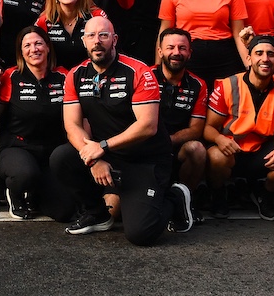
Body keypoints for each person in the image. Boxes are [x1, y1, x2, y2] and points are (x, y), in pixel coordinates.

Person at [52, 14, 184, 243]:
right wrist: (93, 158)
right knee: (61, 157)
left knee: (141, 235)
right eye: (91, 36)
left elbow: (147, 126)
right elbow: (72, 125)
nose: (97, 41)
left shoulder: (139, 72)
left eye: (103, 35)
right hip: (107, 155)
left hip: (145, 159)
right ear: (83, 41)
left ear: (114, 39)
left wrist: (101, 147)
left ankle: (175, 197)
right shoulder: (75, 75)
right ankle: (96, 214)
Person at [201, 34, 274, 219]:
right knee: (215, 156)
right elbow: (208, 128)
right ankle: (219, 194)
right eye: (259, 53)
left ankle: (263, 192)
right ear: (249, 58)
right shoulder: (228, 85)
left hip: (262, 152)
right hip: (232, 149)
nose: (265, 59)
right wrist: (219, 139)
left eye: (270, 54)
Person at [0, 26, 70, 219]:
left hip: (52, 151)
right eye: (27, 45)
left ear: (47, 47)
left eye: (38, 43)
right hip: (19, 147)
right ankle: (15, 193)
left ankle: (36, 194)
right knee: (25, 174)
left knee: (63, 212)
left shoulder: (64, 76)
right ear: (21, 52)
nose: (34, 49)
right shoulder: (11, 76)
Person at [151, 28, 208, 232]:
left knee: (198, 149)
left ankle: (185, 201)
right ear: (160, 51)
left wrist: (169, 141)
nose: (176, 52)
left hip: (177, 149)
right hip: (148, 149)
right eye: (170, 47)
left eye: (182, 48)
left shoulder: (198, 84)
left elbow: (196, 129)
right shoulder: (144, 77)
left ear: (189, 53)